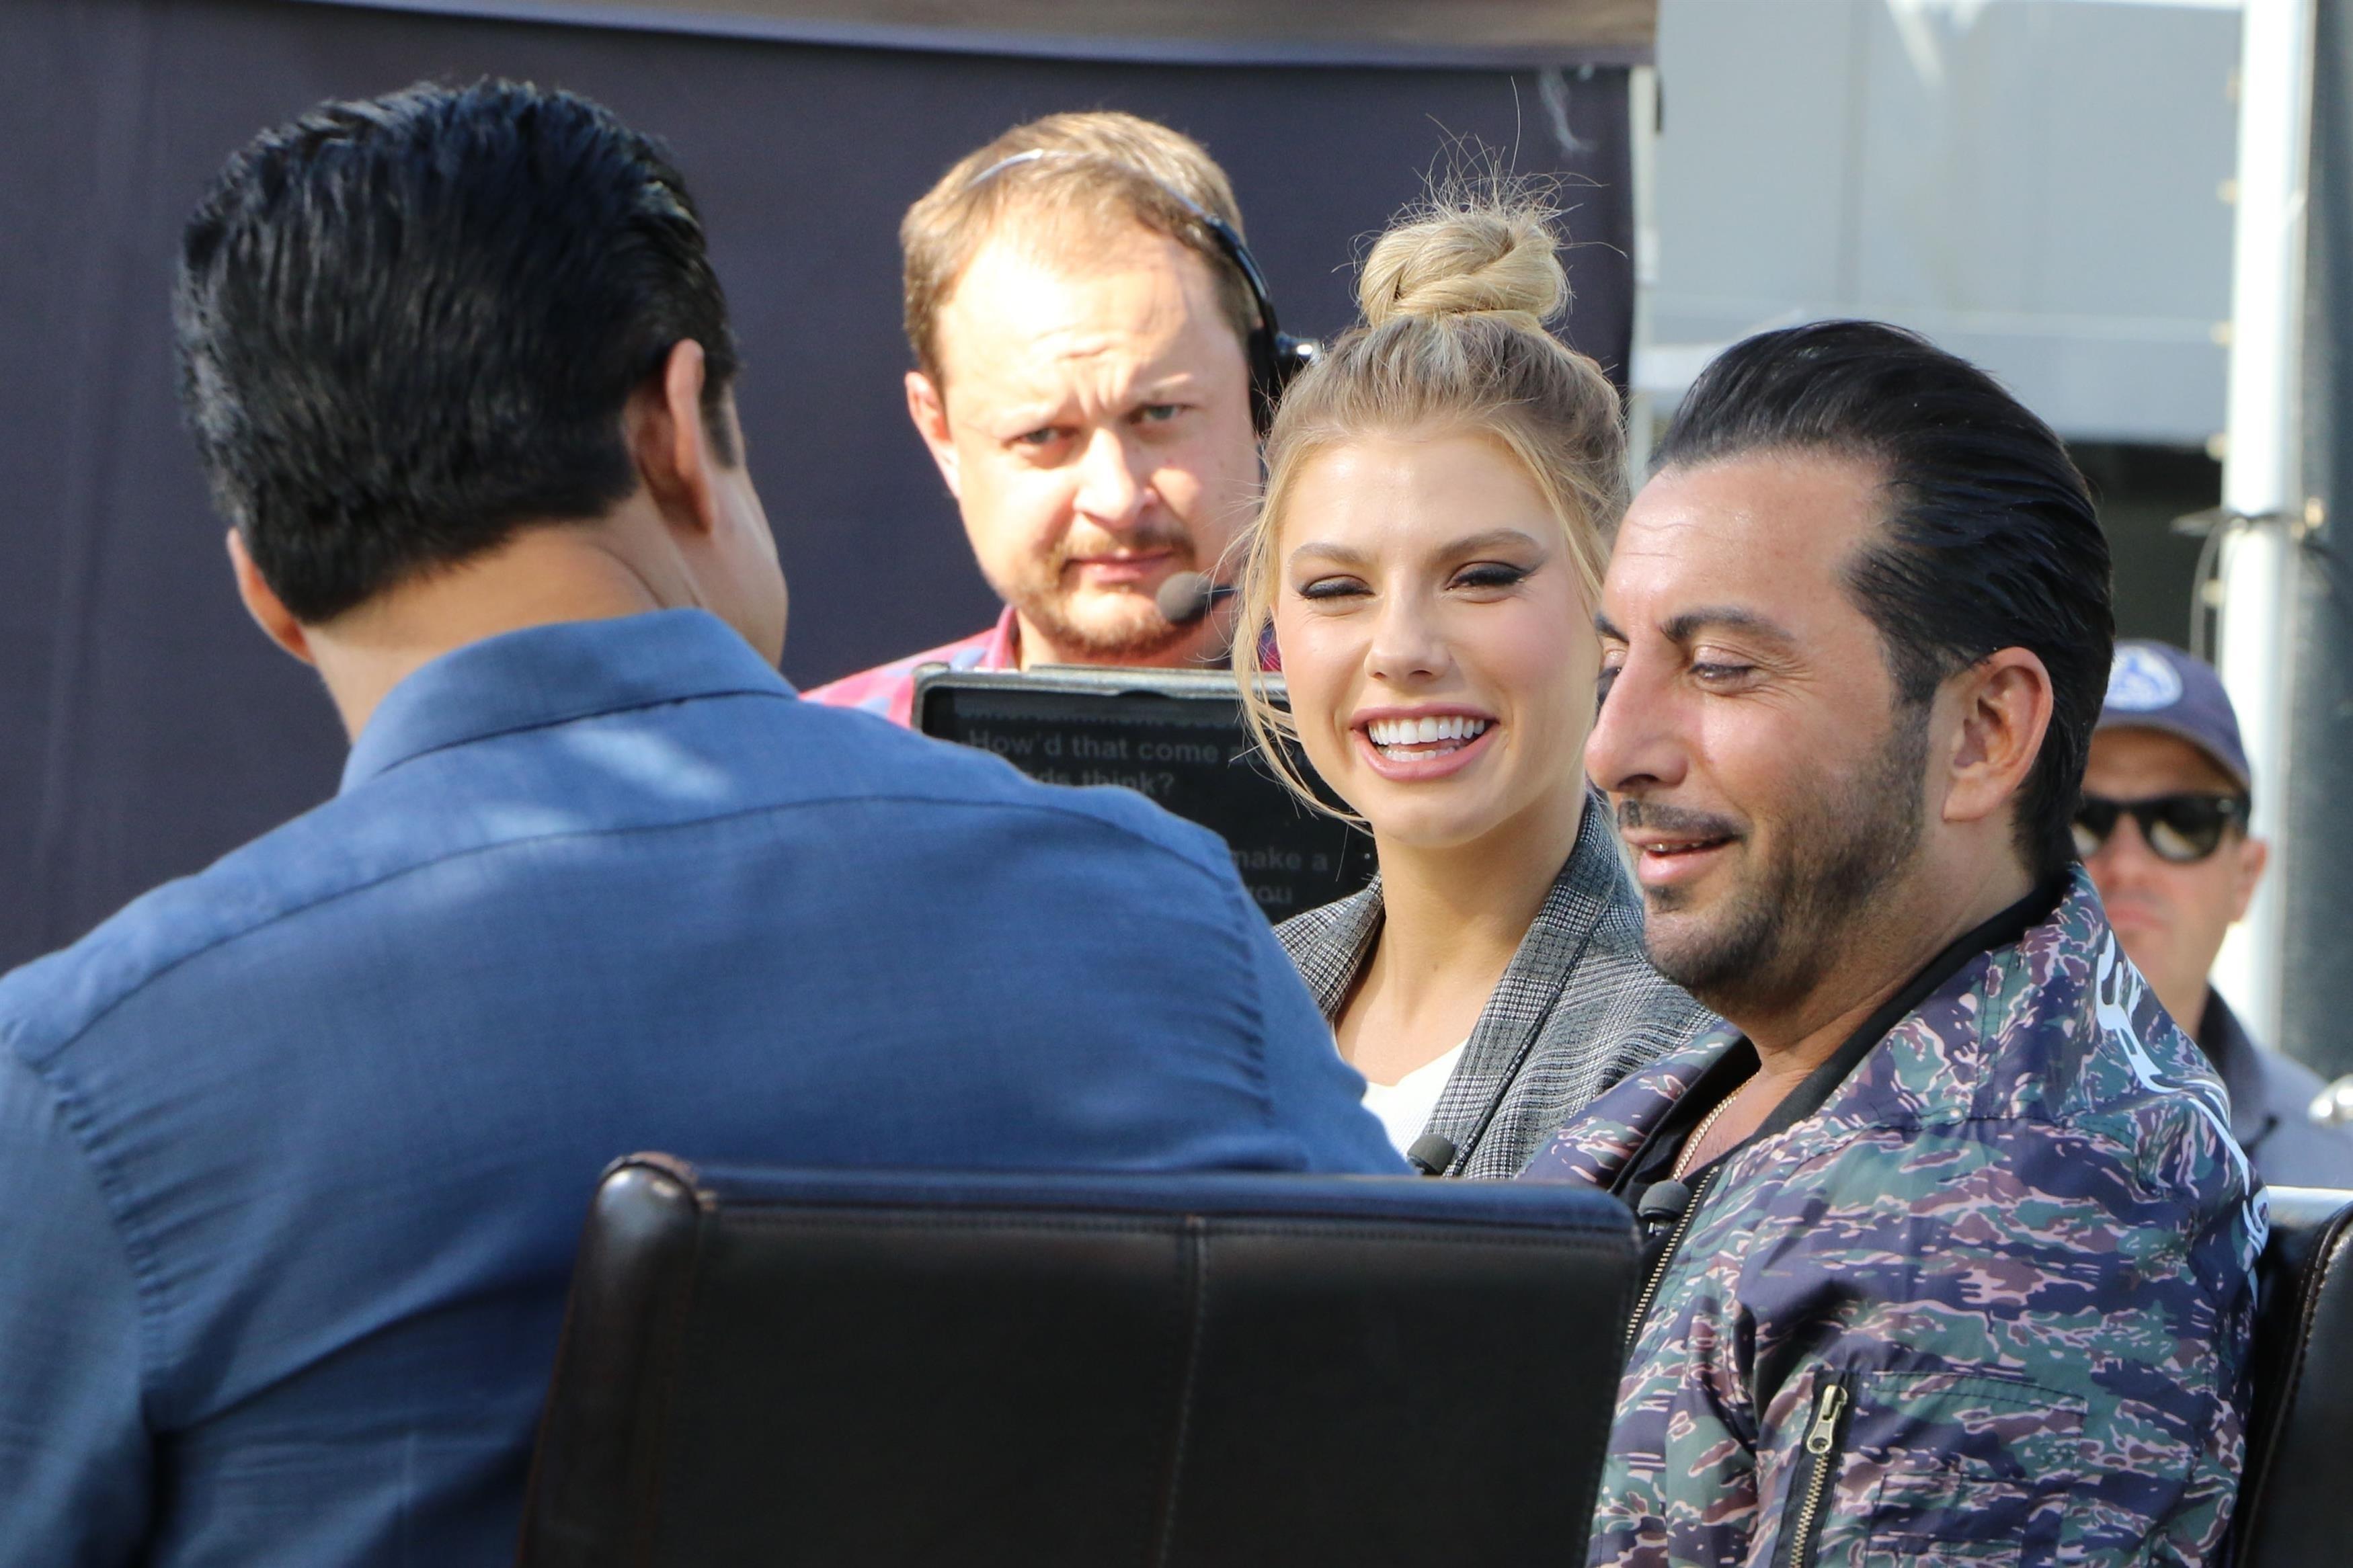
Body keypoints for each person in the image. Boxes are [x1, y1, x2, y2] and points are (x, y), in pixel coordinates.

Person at [0, 81, 1401, 1567]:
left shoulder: (79, 1084)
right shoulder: (1166, 918)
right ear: (679, 428)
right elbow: (1433, 1435)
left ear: (267, 590)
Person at [1524, 321, 2262, 1565]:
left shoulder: (2002, 1217)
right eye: (1615, 662)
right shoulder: (1755, 1068)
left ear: (1983, 730)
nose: (1614, 747)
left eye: (1721, 667)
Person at [1232, 196, 1715, 1177]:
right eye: (1336, 589)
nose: (1402, 648)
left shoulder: (1698, 1046)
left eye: (1483, 577)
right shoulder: (1224, 1007)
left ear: (1609, 598)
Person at [806, 112, 1267, 724]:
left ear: (1264, 389)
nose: (1116, 499)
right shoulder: (820, 762)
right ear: (941, 435)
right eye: (1042, 435)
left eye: (1159, 413)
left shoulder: (1392, 746)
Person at [2081, 639, 2353, 1185]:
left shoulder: (2335, 1170)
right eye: (2079, 816)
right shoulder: (1908, 1124)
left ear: (2246, 876)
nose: (2127, 865)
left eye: (2185, 821)